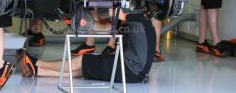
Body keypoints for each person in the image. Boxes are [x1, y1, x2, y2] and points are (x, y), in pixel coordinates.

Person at [16, 10, 156, 83]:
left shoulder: (134, 18)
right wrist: (82, 22)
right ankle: (37, 70)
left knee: (82, 60)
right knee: (85, 68)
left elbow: (111, 12)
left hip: (129, 70)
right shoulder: (139, 21)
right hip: (134, 73)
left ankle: (36, 62)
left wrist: (90, 6)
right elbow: (103, 28)